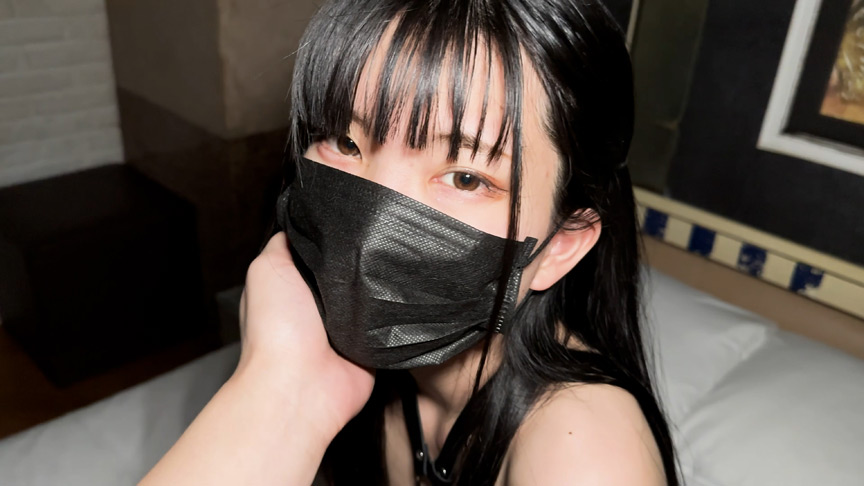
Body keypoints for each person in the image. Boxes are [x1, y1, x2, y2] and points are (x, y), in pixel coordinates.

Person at [139, 0, 679, 484]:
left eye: (466, 178)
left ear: (560, 245)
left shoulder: (586, 454)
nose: (371, 234)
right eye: (345, 141)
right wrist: (283, 387)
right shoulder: (374, 376)